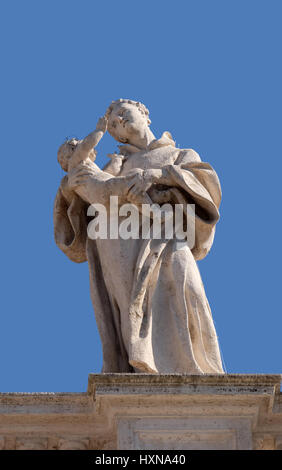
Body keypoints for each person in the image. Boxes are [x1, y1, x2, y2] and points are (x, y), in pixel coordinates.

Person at [54, 99, 224, 374]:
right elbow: (88, 196)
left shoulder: (179, 155)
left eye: (123, 113)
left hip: (167, 239)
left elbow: (206, 188)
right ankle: (141, 371)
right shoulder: (117, 163)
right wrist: (72, 188)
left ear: (145, 113)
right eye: (112, 124)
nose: (118, 121)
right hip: (118, 243)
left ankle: (197, 373)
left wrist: (156, 175)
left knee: (185, 286)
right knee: (131, 310)